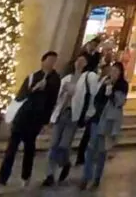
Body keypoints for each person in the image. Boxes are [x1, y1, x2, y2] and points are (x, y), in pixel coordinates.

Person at [0, 50, 61, 193]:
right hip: (22, 117)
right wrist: (34, 88)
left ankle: (25, 177)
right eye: (49, 60)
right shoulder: (32, 77)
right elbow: (21, 95)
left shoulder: (55, 79)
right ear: (43, 61)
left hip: (35, 120)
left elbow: (52, 100)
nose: (51, 63)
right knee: (11, 150)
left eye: (54, 61)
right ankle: (2, 179)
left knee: (29, 149)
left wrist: (46, 121)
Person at [41, 53, 100, 187]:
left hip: (74, 114)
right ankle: (49, 174)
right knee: (53, 144)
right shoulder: (67, 78)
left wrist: (89, 113)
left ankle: (65, 163)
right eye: (77, 60)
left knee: (64, 145)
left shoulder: (89, 77)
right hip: (61, 113)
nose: (79, 63)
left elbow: (92, 96)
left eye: (82, 61)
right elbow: (58, 97)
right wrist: (63, 92)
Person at [81, 60, 128, 190]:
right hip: (97, 117)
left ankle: (96, 178)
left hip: (108, 120)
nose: (113, 73)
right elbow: (97, 98)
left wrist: (111, 91)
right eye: (112, 70)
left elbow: (119, 103)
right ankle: (86, 176)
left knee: (101, 150)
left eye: (116, 71)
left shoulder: (122, 85)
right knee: (90, 148)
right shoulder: (105, 80)